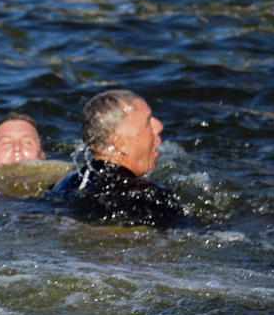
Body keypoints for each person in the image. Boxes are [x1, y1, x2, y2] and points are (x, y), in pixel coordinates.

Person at [46, 89, 184, 227]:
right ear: (121, 144)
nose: (159, 126)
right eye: (148, 121)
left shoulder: (65, 184)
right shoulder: (147, 196)